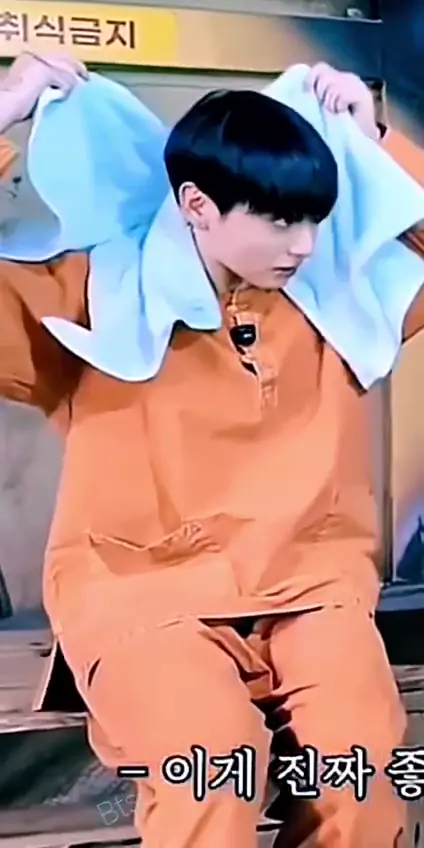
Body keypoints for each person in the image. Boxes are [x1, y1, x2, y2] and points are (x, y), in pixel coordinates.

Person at [1, 51, 424, 848]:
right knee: (212, 770)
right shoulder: (93, 292)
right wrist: (6, 106)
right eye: (278, 219)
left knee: (363, 781)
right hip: (141, 591)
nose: (304, 244)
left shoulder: (343, 291)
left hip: (310, 586)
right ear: (196, 204)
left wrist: (375, 140)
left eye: (314, 218)